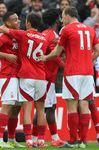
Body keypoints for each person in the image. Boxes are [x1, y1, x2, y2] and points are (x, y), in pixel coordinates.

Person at [42, 6, 99, 148]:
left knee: (72, 107)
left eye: (63, 16)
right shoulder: (90, 29)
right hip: (87, 73)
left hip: (72, 73)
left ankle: (73, 140)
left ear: (68, 16)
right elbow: (98, 50)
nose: (62, 19)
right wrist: (88, 61)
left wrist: (44, 58)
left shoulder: (66, 30)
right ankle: (84, 141)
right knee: (84, 105)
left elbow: (56, 53)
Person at [0, 12, 51, 148]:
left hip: (26, 76)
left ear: (28, 23)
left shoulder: (23, 34)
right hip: (41, 76)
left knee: (27, 110)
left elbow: (2, 29)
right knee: (41, 110)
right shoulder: (44, 38)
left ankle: (28, 141)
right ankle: (40, 140)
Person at [0, 12, 24, 148]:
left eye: (18, 19)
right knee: (7, 105)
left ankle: (12, 140)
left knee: (17, 107)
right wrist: (6, 55)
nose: (19, 21)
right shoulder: (2, 35)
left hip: (19, 75)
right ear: (7, 23)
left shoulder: (17, 35)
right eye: (15, 20)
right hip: (8, 75)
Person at [31, 8, 65, 147]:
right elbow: (54, 55)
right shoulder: (53, 35)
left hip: (45, 76)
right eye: (60, 18)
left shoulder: (44, 33)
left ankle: (54, 138)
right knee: (43, 109)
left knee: (50, 107)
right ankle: (35, 140)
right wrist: (66, 67)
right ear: (56, 20)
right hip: (46, 77)